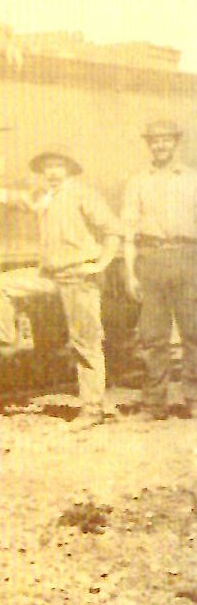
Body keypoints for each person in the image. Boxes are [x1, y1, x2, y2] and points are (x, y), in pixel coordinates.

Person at [0, 148, 122, 429]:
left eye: (58, 166)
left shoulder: (83, 194)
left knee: (85, 344)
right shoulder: (43, 197)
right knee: (3, 284)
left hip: (78, 278)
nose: (52, 172)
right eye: (47, 167)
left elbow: (113, 231)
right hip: (50, 276)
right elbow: (9, 198)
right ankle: (1, 340)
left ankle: (93, 410)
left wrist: (100, 264)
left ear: (69, 170)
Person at [120, 119, 197, 419]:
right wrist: (129, 272)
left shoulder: (192, 179)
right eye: (154, 141)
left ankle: (193, 398)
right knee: (152, 336)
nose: (160, 145)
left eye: (166, 140)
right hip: (150, 259)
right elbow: (128, 230)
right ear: (149, 145)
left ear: (176, 143)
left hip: (188, 257)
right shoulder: (138, 182)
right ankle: (154, 403)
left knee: (193, 331)